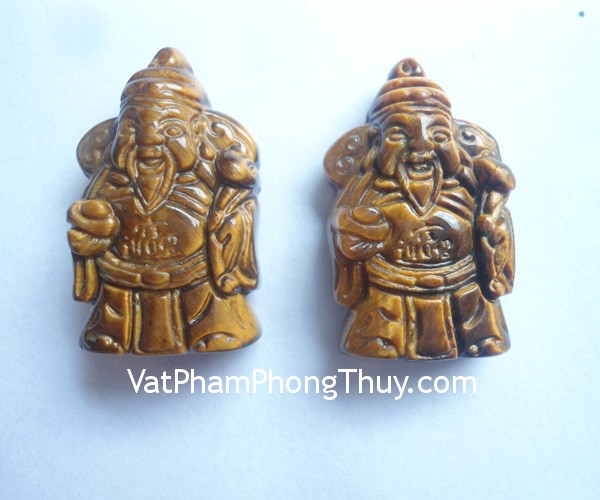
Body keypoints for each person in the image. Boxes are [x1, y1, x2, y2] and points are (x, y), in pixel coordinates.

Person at [68, 48, 260, 355]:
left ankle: (218, 326)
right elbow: (86, 226)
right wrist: (92, 234)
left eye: (171, 129)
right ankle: (113, 332)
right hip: (123, 281)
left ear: (198, 133)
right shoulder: (109, 184)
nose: (149, 141)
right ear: (115, 132)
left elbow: (239, 214)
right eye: (131, 128)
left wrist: (229, 211)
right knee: (114, 310)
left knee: (209, 306)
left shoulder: (208, 180)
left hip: (197, 279)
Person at [325, 58, 515, 359]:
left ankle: (480, 333)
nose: (420, 150)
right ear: (375, 143)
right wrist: (352, 230)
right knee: (378, 329)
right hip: (389, 292)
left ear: (456, 140)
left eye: (438, 136)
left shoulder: (468, 186)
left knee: (478, 318)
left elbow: (496, 227)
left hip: (464, 288)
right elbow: (345, 232)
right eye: (398, 136)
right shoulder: (367, 190)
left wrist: (491, 225)